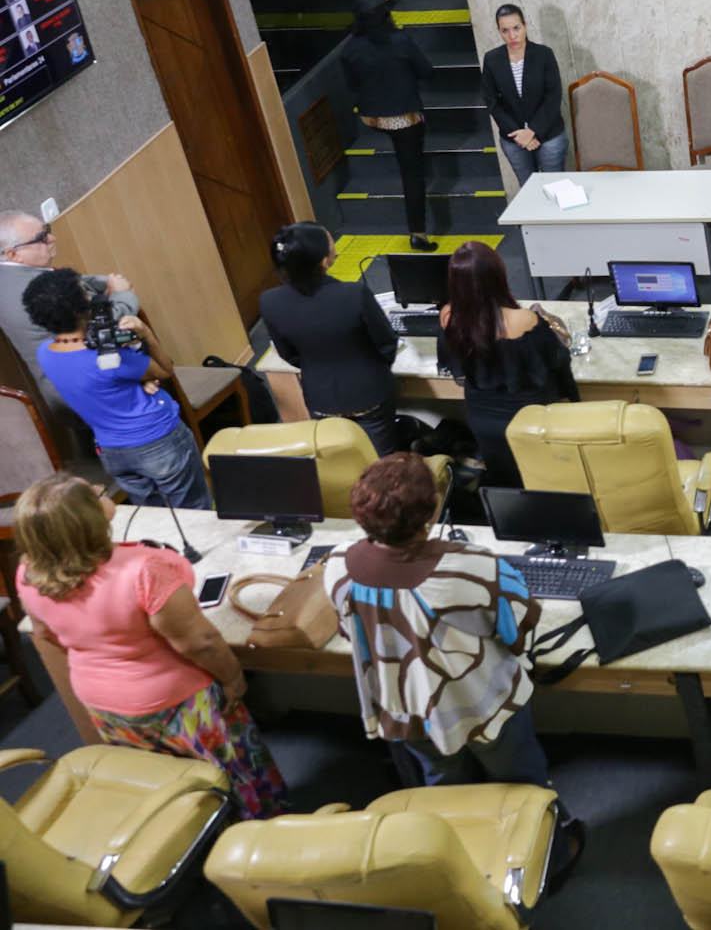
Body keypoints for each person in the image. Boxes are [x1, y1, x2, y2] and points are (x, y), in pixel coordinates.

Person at [325, 453, 583, 874]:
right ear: (429, 512)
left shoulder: (338, 564)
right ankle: (544, 860)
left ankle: (462, 867)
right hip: (481, 703)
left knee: (444, 791)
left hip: (407, 708)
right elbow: (519, 626)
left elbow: (347, 630)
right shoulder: (472, 566)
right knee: (522, 786)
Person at [15, 476, 287, 817]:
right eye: (95, 493)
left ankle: (189, 832)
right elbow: (200, 642)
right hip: (174, 701)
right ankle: (255, 824)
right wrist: (234, 679)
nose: (102, 489)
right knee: (227, 773)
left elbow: (47, 633)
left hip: (103, 703)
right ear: (88, 519)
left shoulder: (28, 573)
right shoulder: (145, 569)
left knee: (165, 781)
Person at [21, 269, 209, 509]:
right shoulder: (111, 358)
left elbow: (99, 382)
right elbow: (164, 369)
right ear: (80, 308)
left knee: (152, 515)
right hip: (159, 441)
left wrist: (139, 380)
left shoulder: (45, 353)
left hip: (113, 450)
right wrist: (146, 334)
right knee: (193, 511)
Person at [437, 242, 578, 489]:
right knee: (546, 480)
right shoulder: (524, 319)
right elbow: (558, 362)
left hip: (484, 421)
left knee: (510, 482)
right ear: (497, 276)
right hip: (528, 418)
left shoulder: (449, 317)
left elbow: (458, 367)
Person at [260, 223, 401, 455]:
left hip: (320, 398)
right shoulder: (354, 293)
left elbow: (289, 354)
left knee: (341, 459)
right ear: (323, 262)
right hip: (369, 394)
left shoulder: (269, 301)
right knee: (380, 461)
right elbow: (386, 344)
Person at [0, 207, 138, 421]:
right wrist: (123, 294)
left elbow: (68, 280)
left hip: (62, 388)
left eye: (48, 230)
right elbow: (105, 324)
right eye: (42, 238)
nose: (52, 238)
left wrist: (104, 282)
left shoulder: (9, 276)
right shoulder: (37, 289)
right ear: (13, 254)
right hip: (94, 388)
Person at [338, 0, 436, 251]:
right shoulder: (401, 42)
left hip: (372, 118)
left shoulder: (349, 50)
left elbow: (351, 85)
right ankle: (418, 233)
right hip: (404, 118)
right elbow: (427, 71)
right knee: (412, 174)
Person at [481, 4, 567, 185]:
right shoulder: (492, 59)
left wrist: (532, 131)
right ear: (499, 31)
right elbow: (491, 100)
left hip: (549, 134)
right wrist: (520, 135)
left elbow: (553, 96)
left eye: (516, 28)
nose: (512, 36)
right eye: (505, 30)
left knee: (556, 188)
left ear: (525, 26)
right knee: (529, 191)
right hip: (514, 139)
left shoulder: (544, 54)